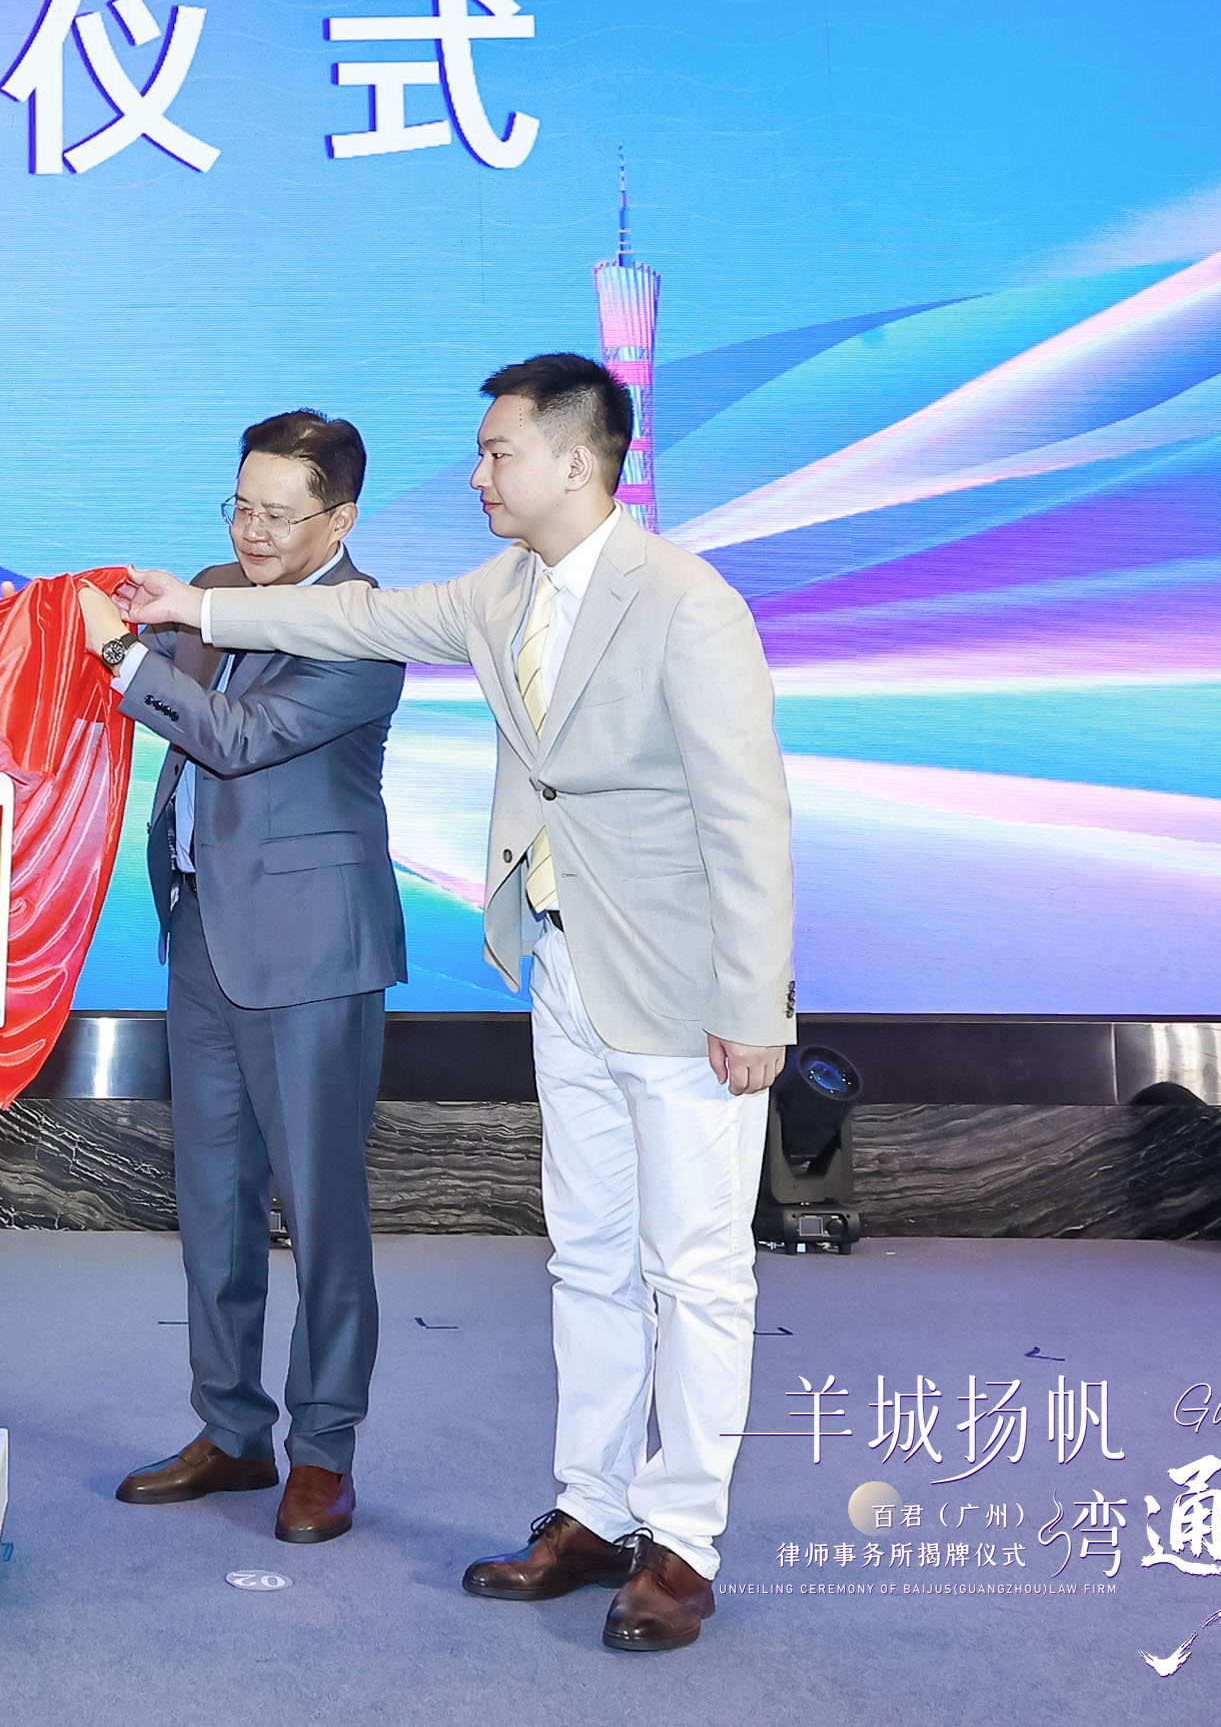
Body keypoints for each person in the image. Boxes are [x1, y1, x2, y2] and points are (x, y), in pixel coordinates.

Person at [120, 352, 794, 1651]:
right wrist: (180, 603)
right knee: (587, 1255)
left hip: (683, 976)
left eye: (497, 451)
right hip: (565, 962)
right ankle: (590, 1509)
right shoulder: (504, 589)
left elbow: (747, 809)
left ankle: (681, 1542)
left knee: (694, 1267)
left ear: (576, 461)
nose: (476, 472)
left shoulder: (685, 601)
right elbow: (354, 621)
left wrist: (753, 998)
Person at [75, 411, 404, 1546]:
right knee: (212, 1201)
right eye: (238, 507)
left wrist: (124, 655)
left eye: (277, 514)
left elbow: (235, 734)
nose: (250, 533)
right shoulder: (211, 592)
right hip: (203, 933)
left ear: (338, 520)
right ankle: (229, 1429)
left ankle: (323, 1450)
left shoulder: (361, 626)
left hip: (312, 951)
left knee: (319, 1211)